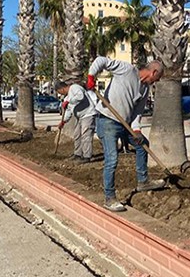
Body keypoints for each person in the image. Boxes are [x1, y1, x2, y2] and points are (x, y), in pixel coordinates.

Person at [87, 57, 165, 212]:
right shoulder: (127, 70)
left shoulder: (144, 89)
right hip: (108, 120)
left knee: (143, 145)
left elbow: (137, 112)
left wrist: (136, 130)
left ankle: (143, 181)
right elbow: (101, 60)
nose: (156, 82)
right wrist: (91, 76)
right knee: (112, 159)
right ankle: (109, 198)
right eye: (157, 78)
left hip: (125, 124)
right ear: (153, 72)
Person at [55, 81, 99, 164]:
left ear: (62, 89)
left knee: (86, 135)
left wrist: (69, 102)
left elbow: (80, 97)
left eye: (59, 92)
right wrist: (63, 121)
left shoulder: (74, 87)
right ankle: (77, 154)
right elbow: (68, 111)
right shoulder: (67, 98)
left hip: (88, 114)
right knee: (77, 134)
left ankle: (87, 156)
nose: (60, 94)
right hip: (80, 117)